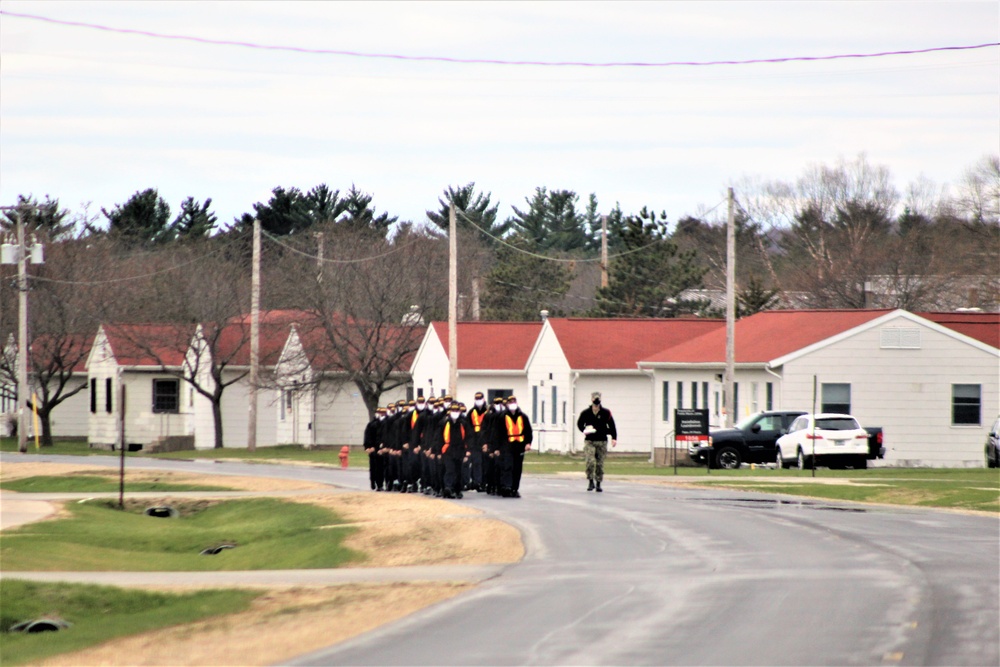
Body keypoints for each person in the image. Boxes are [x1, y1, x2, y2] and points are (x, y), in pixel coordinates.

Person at [577, 391, 617, 492]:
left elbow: (612, 425)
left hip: (602, 441)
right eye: (595, 398)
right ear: (591, 399)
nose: (596, 400)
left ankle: (598, 483)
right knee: (590, 461)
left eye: (598, 398)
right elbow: (579, 423)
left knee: (600, 463)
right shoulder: (586, 413)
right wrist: (584, 430)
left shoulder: (606, 413)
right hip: (590, 441)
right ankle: (590, 481)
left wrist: (614, 438)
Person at [501, 395, 532, 498]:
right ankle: (507, 487)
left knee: (517, 468)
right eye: (510, 402)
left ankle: (515, 488)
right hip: (507, 445)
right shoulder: (503, 416)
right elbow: (497, 432)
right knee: (508, 467)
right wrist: (497, 447)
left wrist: (528, 443)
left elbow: (528, 431)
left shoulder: (523, 416)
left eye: (514, 402)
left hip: (519, 446)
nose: (512, 404)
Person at [441, 402, 471, 498]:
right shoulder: (444, 423)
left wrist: (468, 452)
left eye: (456, 410)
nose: (455, 412)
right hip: (448, 451)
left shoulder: (463, 424)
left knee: (458, 471)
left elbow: (469, 438)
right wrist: (437, 451)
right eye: (453, 410)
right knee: (450, 469)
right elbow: (438, 438)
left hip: (460, 451)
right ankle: (448, 488)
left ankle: (457, 490)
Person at [466, 392, 489, 492]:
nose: (478, 400)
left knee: (486, 463)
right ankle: (477, 482)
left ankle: (484, 482)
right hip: (475, 442)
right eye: (476, 398)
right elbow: (467, 428)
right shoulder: (471, 412)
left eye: (480, 398)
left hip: (486, 441)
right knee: (477, 462)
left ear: (483, 399)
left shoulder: (488, 412)